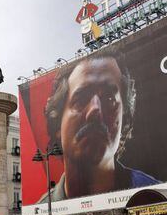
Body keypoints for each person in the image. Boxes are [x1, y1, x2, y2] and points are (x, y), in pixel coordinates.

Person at [37, 49, 158, 203]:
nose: (95, 110)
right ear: (57, 122)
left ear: (124, 119)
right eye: (81, 99)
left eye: (109, 99)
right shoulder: (42, 210)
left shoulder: (154, 196)